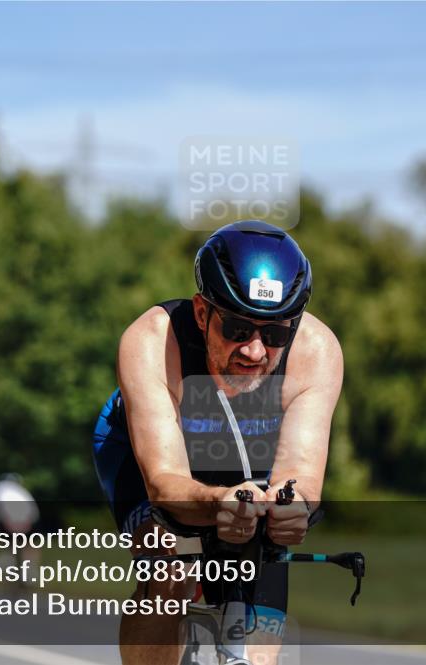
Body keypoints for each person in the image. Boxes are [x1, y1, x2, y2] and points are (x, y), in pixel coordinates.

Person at [92, 220, 343, 665]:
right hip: (151, 452)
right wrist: (219, 502)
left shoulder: (317, 351)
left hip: (254, 459)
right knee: (170, 561)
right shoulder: (153, 339)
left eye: (274, 334)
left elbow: (300, 477)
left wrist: (290, 511)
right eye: (237, 329)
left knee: (262, 617)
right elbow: (164, 481)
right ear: (203, 314)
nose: (254, 352)